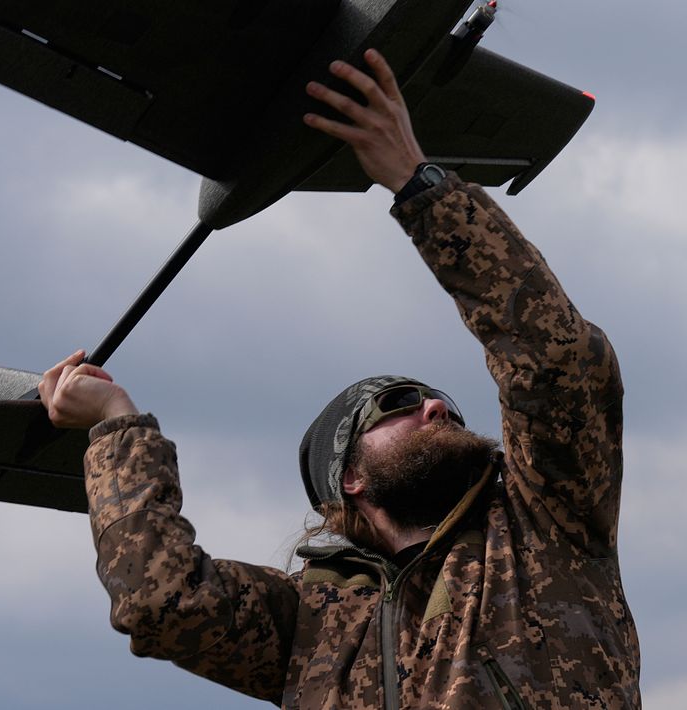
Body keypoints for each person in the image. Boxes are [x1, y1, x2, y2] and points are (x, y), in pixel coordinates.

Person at [39, 49, 639, 709]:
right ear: (349, 477)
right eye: (398, 405)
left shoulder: (545, 523)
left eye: (440, 403)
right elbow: (161, 603)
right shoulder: (308, 625)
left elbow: (557, 359)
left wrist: (418, 184)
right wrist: (116, 425)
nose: (437, 407)